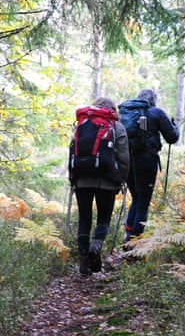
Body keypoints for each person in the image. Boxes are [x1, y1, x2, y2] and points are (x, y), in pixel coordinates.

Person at [70, 97, 129, 276]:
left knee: (84, 218)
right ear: (112, 109)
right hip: (107, 180)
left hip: (82, 179)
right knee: (104, 217)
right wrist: (122, 178)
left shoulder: (80, 124)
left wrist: (73, 177)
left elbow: (72, 151)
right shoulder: (116, 127)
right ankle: (96, 245)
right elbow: (124, 157)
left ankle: (83, 262)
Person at [123, 89, 180, 243]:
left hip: (128, 160)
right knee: (143, 202)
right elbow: (172, 137)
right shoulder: (156, 113)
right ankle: (133, 244)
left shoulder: (126, 112)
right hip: (146, 161)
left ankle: (128, 235)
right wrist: (176, 128)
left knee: (136, 198)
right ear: (153, 99)